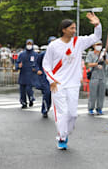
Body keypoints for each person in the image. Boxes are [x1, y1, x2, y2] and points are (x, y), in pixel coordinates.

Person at [43, 12, 102, 150]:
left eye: (75, 28)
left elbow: (96, 37)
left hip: (73, 84)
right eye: (71, 28)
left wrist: (97, 25)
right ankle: (62, 137)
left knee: (73, 114)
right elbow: (46, 65)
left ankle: (65, 133)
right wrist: (51, 80)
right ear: (64, 30)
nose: (74, 31)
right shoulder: (54, 45)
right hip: (58, 84)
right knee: (62, 113)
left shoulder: (78, 42)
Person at [86, 41, 108, 115]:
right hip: (94, 76)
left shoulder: (104, 53)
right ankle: (91, 108)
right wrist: (97, 63)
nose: (99, 46)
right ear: (94, 45)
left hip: (102, 76)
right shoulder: (91, 54)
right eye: (97, 44)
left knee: (101, 94)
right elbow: (88, 64)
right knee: (93, 94)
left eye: (100, 44)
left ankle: (99, 108)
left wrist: (105, 59)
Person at [36, 36, 56, 118]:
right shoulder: (43, 54)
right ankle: (45, 110)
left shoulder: (59, 54)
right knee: (47, 93)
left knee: (56, 95)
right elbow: (37, 63)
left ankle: (57, 111)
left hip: (56, 77)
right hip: (45, 76)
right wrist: (38, 70)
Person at [16, 39, 39, 108]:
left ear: (32, 45)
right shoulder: (22, 54)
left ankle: (31, 99)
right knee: (22, 90)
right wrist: (18, 66)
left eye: (30, 44)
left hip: (31, 75)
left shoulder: (35, 55)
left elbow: (38, 64)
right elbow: (17, 62)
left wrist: (36, 69)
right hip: (23, 74)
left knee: (29, 89)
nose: (29, 45)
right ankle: (23, 102)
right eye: (28, 44)